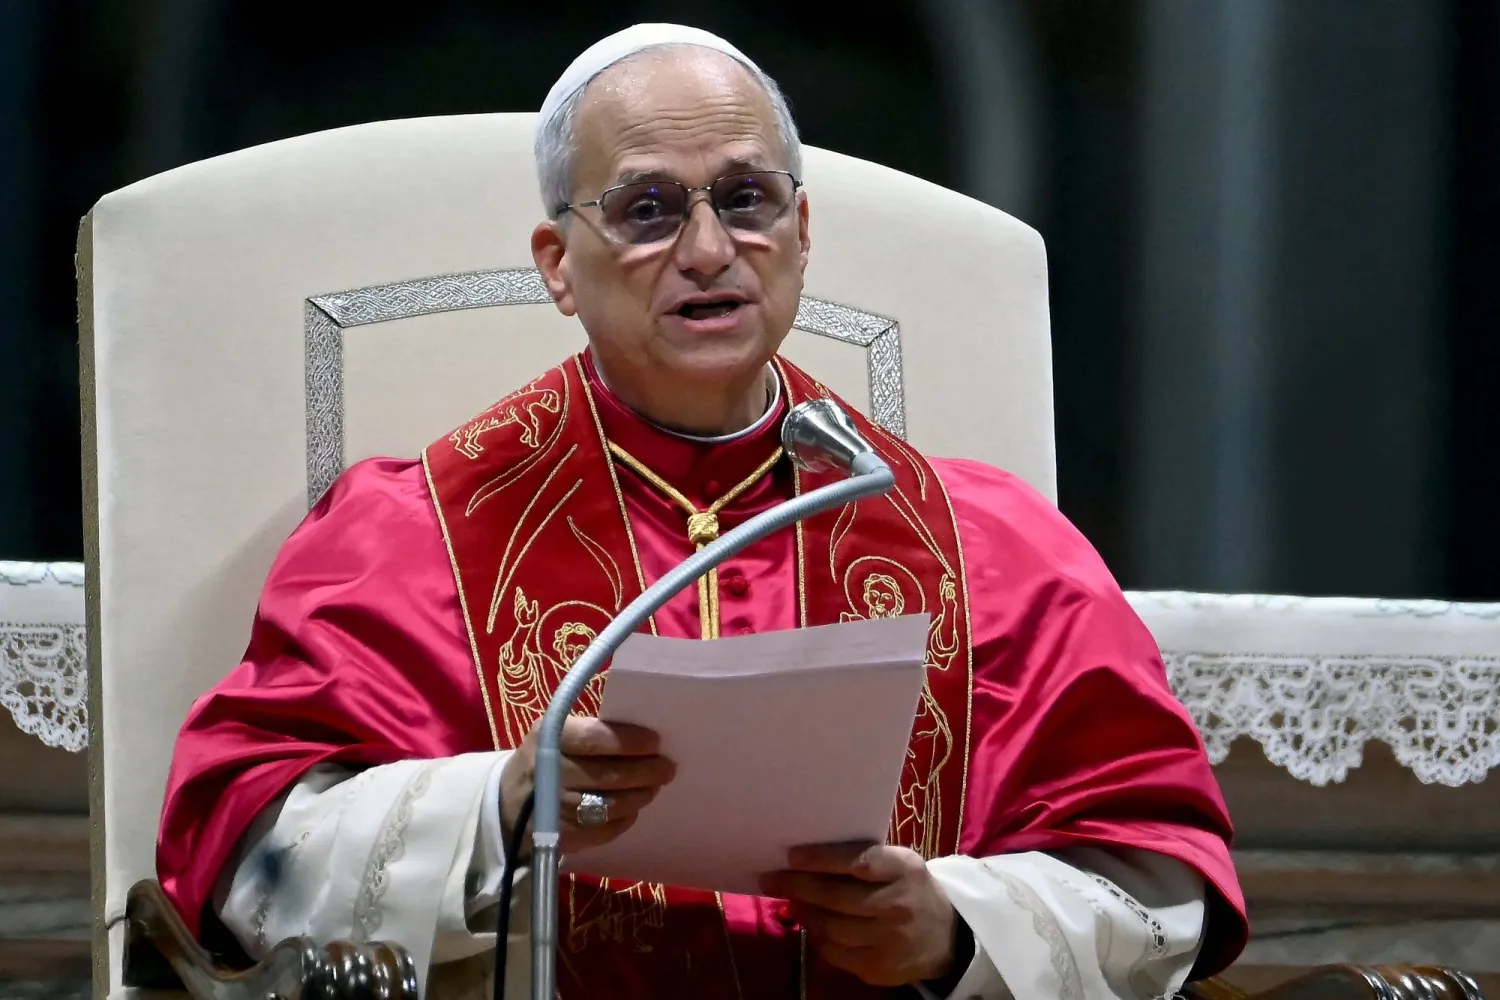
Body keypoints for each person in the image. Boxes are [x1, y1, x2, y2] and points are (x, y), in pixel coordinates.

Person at [156, 23, 1247, 1000]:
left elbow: (1161, 882)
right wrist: (498, 805)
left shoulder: (994, 549)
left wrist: (955, 929)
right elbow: (247, 857)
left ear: (803, 230)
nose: (711, 250)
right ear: (558, 267)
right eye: (646, 209)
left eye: (745, 198)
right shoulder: (410, 537)